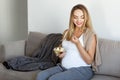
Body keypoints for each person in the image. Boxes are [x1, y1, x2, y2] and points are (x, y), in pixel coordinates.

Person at [36, 4, 97, 80]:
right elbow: (60, 49)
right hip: (63, 67)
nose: (79, 20)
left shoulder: (90, 35)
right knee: (41, 76)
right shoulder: (66, 32)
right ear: (72, 18)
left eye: (82, 17)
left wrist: (78, 44)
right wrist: (59, 53)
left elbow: (89, 61)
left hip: (82, 70)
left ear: (86, 18)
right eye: (75, 17)